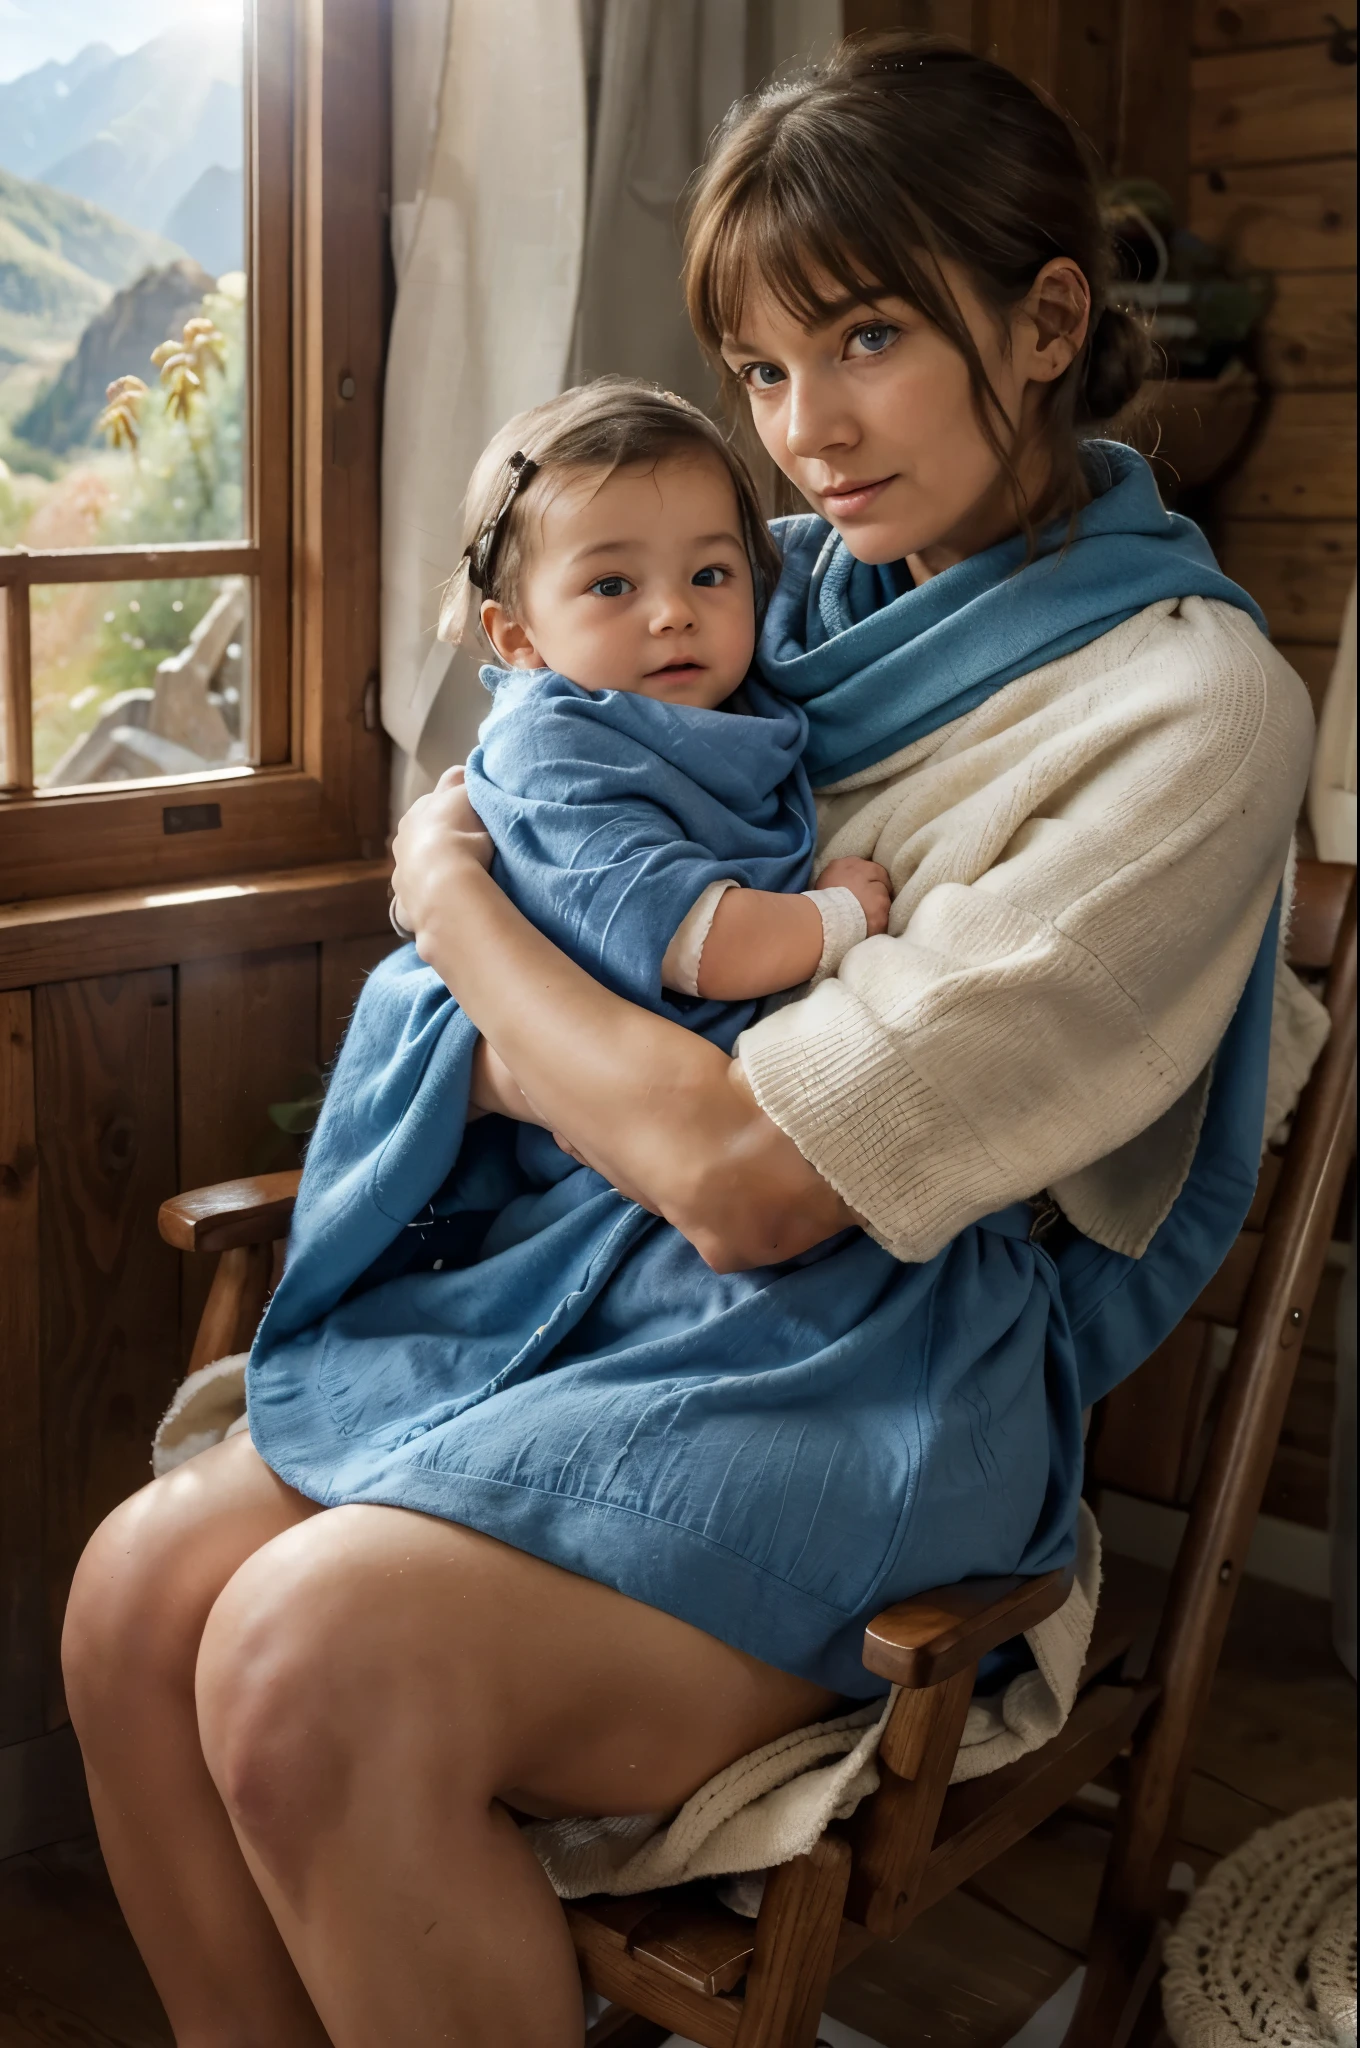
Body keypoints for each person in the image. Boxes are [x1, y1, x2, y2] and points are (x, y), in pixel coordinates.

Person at [61, 37, 1313, 2048]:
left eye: (870, 336)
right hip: (598, 1291)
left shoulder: (1184, 713)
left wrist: (453, 910)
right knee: (133, 1601)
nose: (801, 430)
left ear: (1048, 318)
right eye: (756, 368)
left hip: (865, 1377)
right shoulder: (772, 593)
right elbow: (570, 879)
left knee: (312, 1660)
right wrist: (535, 995)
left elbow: (740, 1175)